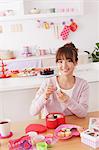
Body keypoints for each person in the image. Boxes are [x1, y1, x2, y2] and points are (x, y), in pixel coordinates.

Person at [30, 42, 89, 118]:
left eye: (69, 61)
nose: (64, 66)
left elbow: (83, 113)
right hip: (52, 126)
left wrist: (67, 100)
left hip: (72, 127)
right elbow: (33, 112)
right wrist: (45, 95)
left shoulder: (83, 85)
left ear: (76, 62)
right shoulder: (48, 82)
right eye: (60, 61)